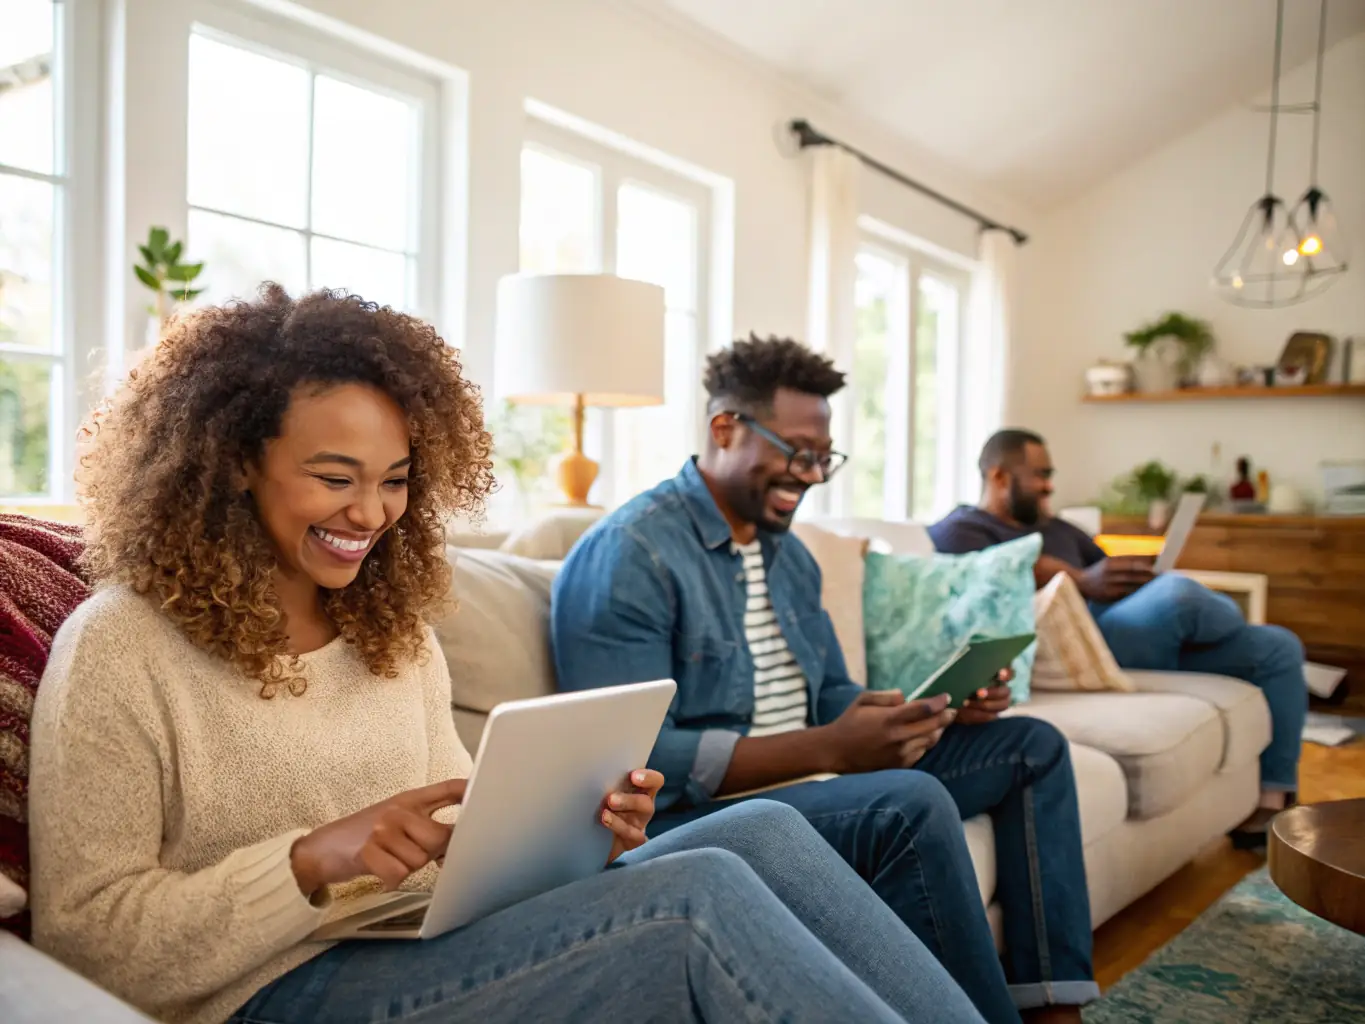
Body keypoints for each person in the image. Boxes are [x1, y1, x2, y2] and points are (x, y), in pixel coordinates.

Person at [28, 289, 988, 1024]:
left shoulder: (390, 632)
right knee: (692, 898)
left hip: (423, 938)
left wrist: (581, 829)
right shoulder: (122, 647)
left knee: (768, 837)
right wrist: (309, 862)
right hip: (273, 989)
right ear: (234, 461)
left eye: (396, 481)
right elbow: (90, 942)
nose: (371, 514)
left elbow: (461, 831)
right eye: (335, 478)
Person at [552, 335, 1097, 1024]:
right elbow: (633, 762)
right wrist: (831, 750)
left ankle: (1054, 1004)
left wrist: (931, 709)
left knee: (1031, 747)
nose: (810, 475)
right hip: (694, 818)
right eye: (796, 452)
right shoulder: (631, 553)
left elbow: (830, 694)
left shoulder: (789, 556)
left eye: (821, 458)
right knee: (908, 802)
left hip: (813, 779)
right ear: (725, 429)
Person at [928, 428, 1307, 846]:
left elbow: (1105, 572)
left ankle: (1270, 805)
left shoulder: (1060, 528)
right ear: (999, 477)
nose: (1049, 485)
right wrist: (1081, 579)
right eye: (1040, 474)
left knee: (1278, 646)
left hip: (1130, 629)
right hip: (1085, 642)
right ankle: (1221, 618)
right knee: (1178, 595)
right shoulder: (964, 527)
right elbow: (988, 570)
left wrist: (1129, 574)